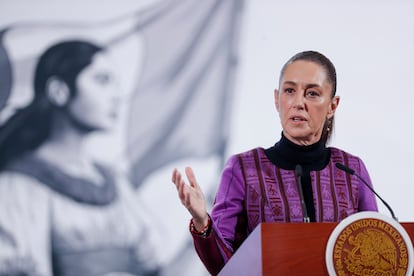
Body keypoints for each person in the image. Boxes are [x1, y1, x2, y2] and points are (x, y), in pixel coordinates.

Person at [171, 50, 379, 275]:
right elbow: (225, 268)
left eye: (312, 93)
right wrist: (202, 222)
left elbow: (378, 251)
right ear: (276, 99)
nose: (298, 103)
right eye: (289, 91)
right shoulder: (243, 169)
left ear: (332, 106)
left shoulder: (352, 171)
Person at [0, 40, 161, 275]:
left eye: (116, 83)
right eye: (102, 80)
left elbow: (154, 266)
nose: (117, 96)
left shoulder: (115, 183)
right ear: (59, 91)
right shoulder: (18, 187)